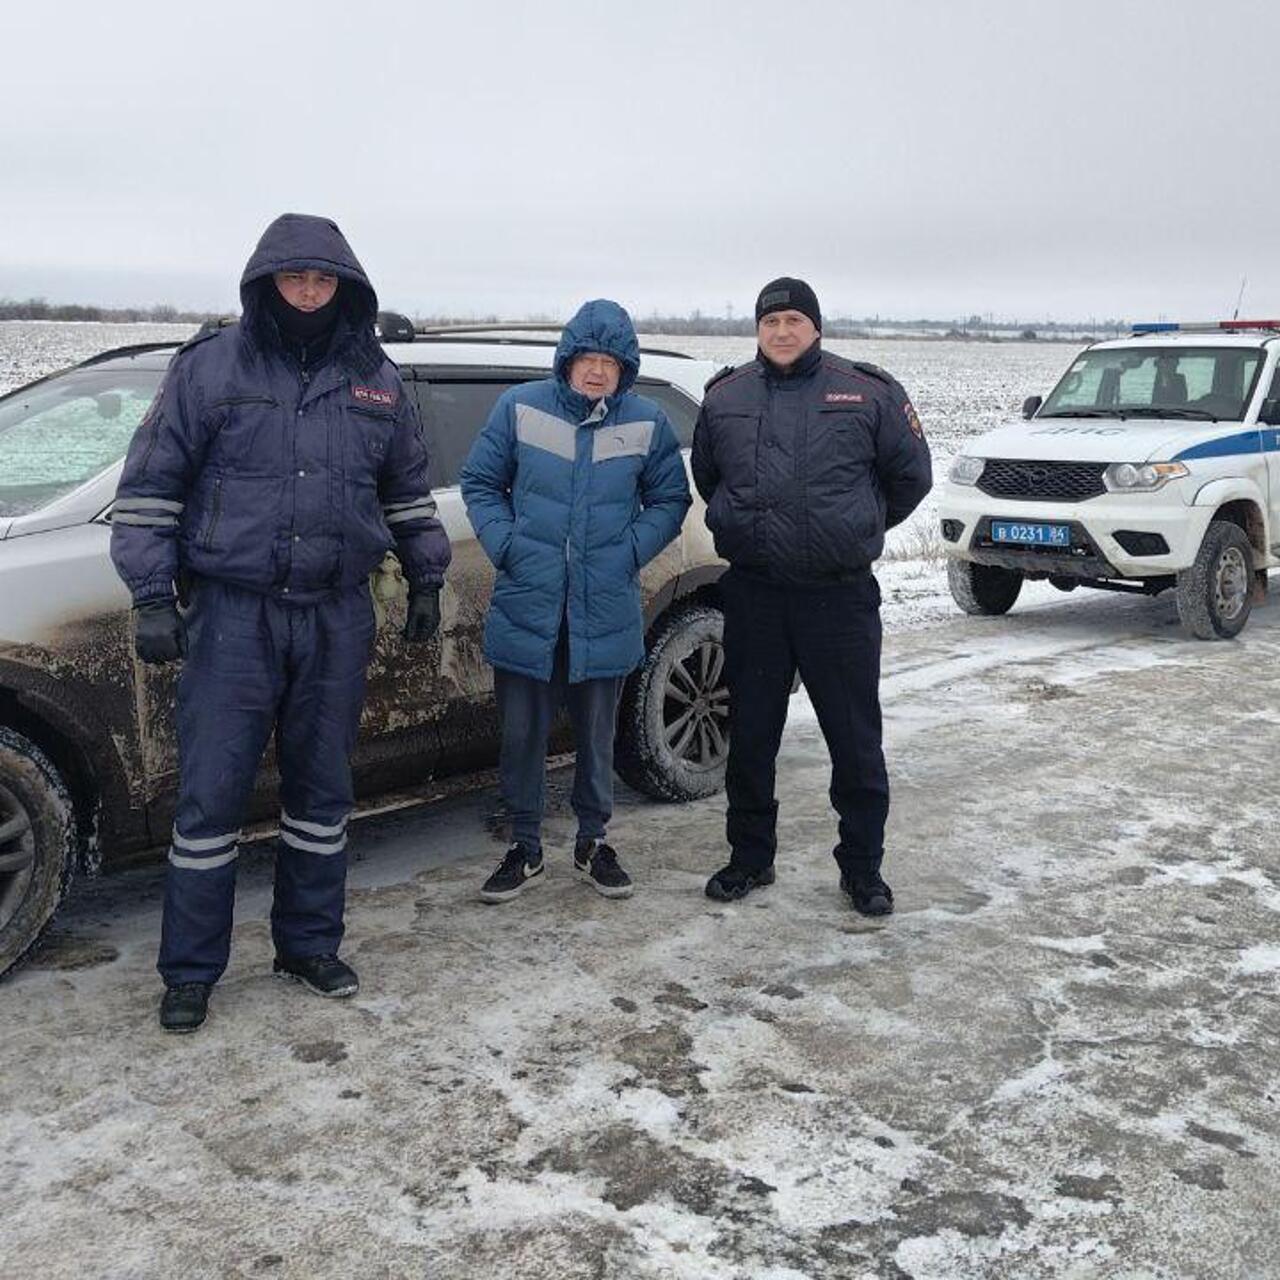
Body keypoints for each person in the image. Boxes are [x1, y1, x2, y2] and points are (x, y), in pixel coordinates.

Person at [110, 213, 451, 1032]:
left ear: (346, 288)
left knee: (322, 792)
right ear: (266, 283)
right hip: (234, 614)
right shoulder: (210, 370)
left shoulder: (376, 380)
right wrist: (153, 594)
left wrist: (428, 575)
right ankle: (191, 971)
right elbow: (151, 486)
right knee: (211, 797)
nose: (307, 291)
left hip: (337, 613)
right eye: (294, 278)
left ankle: (307, 945)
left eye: (323, 279)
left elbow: (407, 489)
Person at [691, 277, 931, 914]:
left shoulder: (867, 391)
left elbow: (911, 477)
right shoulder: (726, 397)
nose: (782, 332)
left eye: (794, 320)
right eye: (771, 322)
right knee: (751, 737)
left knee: (854, 742)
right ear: (758, 330)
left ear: (816, 327)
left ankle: (862, 870)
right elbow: (709, 477)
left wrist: (857, 525)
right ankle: (749, 858)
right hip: (757, 596)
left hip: (839, 598)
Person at [460, 299, 691, 903]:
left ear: (625, 368)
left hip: (603, 605)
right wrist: (508, 545)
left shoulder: (645, 423)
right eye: (586, 358)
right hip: (529, 601)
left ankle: (593, 842)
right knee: (522, 735)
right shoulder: (520, 408)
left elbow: (671, 499)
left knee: (595, 735)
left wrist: (628, 551)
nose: (596, 371)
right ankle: (525, 847)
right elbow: (480, 483)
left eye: (609, 361)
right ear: (566, 360)